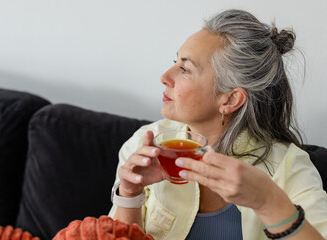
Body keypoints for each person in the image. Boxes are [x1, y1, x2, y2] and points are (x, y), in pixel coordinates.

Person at [108, 9, 327, 240]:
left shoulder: (289, 167)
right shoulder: (144, 143)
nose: (165, 76)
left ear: (230, 99)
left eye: (185, 68)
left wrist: (268, 202)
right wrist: (130, 194)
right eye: (175, 61)